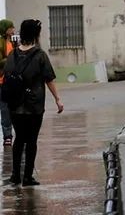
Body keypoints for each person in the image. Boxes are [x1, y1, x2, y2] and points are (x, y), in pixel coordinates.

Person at [4, 19, 63, 186]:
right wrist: (57, 99)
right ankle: (28, 177)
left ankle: (15, 175)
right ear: (36, 35)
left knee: (18, 139)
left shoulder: (12, 55)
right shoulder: (40, 55)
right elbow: (49, 79)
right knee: (31, 140)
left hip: (15, 106)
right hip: (34, 106)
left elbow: (7, 76)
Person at [0, 19, 15, 146]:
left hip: (12, 80)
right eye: (11, 27)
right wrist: (10, 59)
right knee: (4, 109)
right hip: (2, 81)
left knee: (14, 108)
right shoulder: (0, 43)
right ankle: (7, 136)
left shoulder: (12, 42)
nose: (13, 30)